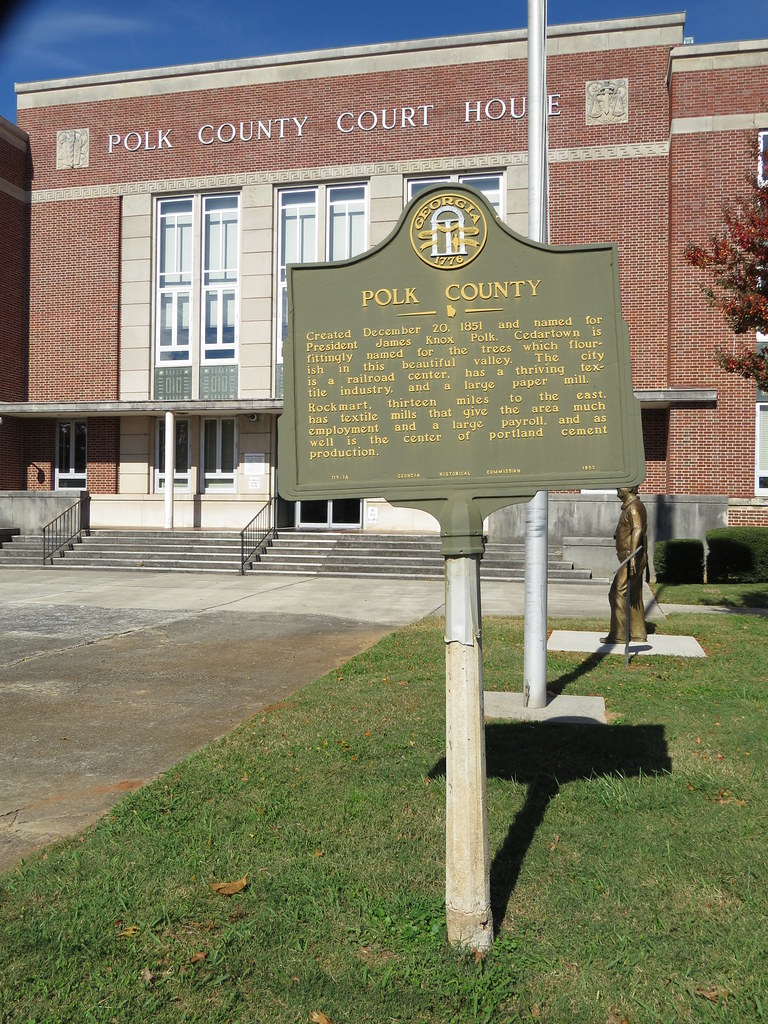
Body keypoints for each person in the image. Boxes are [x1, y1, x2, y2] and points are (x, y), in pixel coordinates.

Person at [601, 486, 648, 643]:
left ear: (629, 488)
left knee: (617, 593)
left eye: (620, 486)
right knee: (634, 594)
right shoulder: (630, 506)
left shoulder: (634, 506)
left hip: (631, 558)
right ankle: (638, 633)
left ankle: (619, 634)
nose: (617, 489)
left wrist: (633, 555)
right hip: (630, 557)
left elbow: (638, 529)